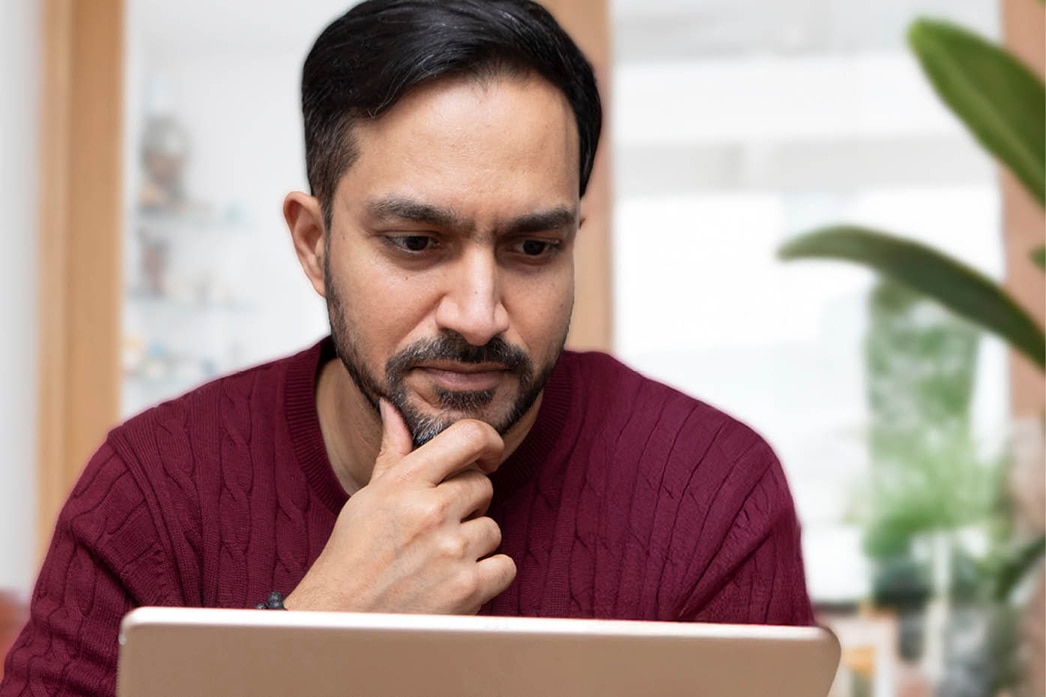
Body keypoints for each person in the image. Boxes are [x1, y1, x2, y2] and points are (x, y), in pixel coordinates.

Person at [0, 0, 814, 694]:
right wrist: (316, 632)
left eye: (532, 248)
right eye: (417, 241)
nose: (477, 312)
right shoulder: (151, 490)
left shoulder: (715, 495)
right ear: (315, 243)